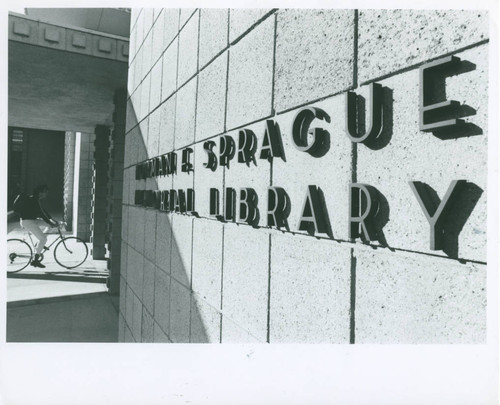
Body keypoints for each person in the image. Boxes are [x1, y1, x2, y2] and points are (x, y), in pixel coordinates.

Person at [19, 184, 59, 268]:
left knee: (48, 227)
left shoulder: (34, 199)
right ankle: (35, 260)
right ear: (40, 192)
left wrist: (52, 221)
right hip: (28, 222)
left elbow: (43, 211)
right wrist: (51, 222)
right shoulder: (33, 199)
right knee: (43, 238)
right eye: (45, 192)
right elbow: (42, 214)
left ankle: (39, 244)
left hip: (30, 220)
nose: (46, 194)